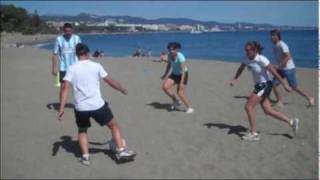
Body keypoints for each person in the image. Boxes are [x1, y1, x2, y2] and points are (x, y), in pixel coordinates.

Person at [58, 43, 136, 165]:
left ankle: (85, 157)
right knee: (114, 126)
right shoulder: (96, 66)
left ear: (76, 54)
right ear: (88, 53)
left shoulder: (72, 68)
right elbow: (110, 81)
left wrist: (61, 108)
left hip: (81, 108)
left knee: (82, 130)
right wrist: (121, 89)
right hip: (97, 106)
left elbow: (65, 88)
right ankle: (121, 151)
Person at [229, 41, 299, 141]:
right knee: (268, 111)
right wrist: (235, 79)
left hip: (265, 85)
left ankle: (254, 134)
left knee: (248, 107)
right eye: (246, 50)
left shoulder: (262, 59)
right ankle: (292, 122)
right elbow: (241, 68)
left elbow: (274, 72)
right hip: (259, 86)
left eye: (249, 50)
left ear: (255, 50)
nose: (247, 52)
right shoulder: (247, 59)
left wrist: (284, 85)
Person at [270, 29, 314, 107]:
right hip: (281, 69)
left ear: (278, 37)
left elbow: (288, 57)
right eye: (271, 35)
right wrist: (277, 67)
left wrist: (279, 65)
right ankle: (280, 101)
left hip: (289, 69)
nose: (272, 37)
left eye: (273, 35)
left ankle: (310, 98)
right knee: (273, 84)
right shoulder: (275, 46)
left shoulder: (282, 45)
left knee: (294, 87)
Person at [161, 42, 194, 114]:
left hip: (183, 74)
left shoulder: (180, 57)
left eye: (172, 49)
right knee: (165, 87)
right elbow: (169, 65)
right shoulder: (169, 55)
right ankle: (176, 101)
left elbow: (183, 71)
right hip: (174, 74)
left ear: (177, 49)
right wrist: (165, 74)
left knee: (180, 93)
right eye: (169, 49)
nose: (171, 51)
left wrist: (181, 83)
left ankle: (190, 108)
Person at [52, 23, 82, 100]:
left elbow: (81, 52)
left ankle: (79, 104)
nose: (68, 33)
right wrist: (54, 68)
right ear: (63, 31)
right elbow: (55, 54)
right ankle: (61, 105)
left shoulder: (77, 38)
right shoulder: (59, 39)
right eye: (66, 31)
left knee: (78, 87)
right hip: (63, 67)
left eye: (69, 31)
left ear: (72, 30)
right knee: (63, 87)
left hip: (76, 67)